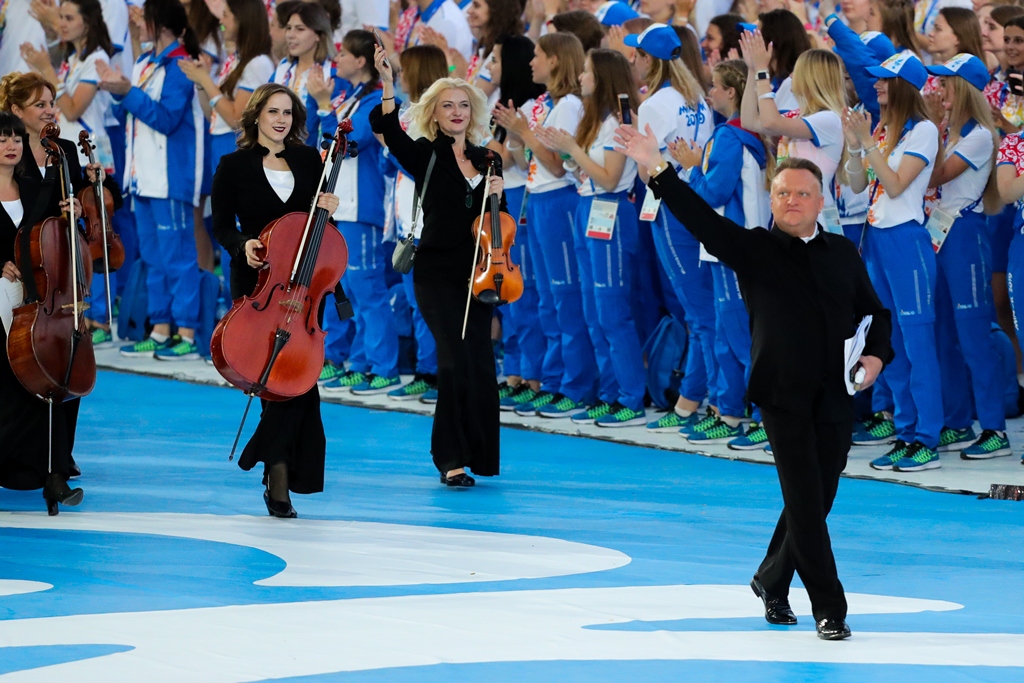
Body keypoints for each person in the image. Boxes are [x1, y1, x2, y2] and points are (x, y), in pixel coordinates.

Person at [615, 126, 893, 641]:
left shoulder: (841, 253)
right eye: (783, 193)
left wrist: (876, 357)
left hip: (837, 393)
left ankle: (771, 579)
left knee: (817, 499)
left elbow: (875, 314)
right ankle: (830, 609)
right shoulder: (754, 249)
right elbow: (700, 219)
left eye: (802, 193)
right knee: (805, 501)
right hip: (781, 393)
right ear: (772, 199)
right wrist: (657, 168)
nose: (792, 201)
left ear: (820, 201)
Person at [371, 46, 503, 488]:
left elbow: (499, 223)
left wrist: (498, 195)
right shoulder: (426, 154)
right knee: (451, 361)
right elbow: (389, 130)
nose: (457, 111)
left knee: (479, 363)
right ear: (434, 113)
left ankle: (477, 454)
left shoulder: (488, 159)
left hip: (478, 274)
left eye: (463, 104)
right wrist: (387, 84)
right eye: (447, 105)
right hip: (436, 273)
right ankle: (450, 459)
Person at [210, 84, 340, 517]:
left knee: (298, 379)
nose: (281, 120)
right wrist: (242, 244)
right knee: (270, 377)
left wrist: (329, 209)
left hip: (303, 287)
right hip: (258, 283)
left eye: (287, 113)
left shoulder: (309, 160)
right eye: (273, 112)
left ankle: (274, 468)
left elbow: (321, 230)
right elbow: (221, 225)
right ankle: (277, 472)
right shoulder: (232, 165)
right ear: (256, 117)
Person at [842, 53, 944, 471]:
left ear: (903, 86)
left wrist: (868, 143)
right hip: (877, 239)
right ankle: (905, 431)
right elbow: (857, 184)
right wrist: (855, 145)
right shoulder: (885, 131)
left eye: (885, 80)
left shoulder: (923, 131)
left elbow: (897, 185)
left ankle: (928, 438)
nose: (876, 86)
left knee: (918, 344)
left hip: (906, 241)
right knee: (890, 343)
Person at [534, 49, 647, 427]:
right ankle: (609, 393)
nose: (580, 77)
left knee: (612, 311)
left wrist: (572, 150)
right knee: (593, 310)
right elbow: (584, 170)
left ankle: (631, 398)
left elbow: (611, 178)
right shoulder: (594, 120)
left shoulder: (618, 122)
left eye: (586, 72)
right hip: (588, 208)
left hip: (610, 209)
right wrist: (567, 153)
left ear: (602, 79)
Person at [667, 57, 773, 449]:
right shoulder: (746, 133)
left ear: (731, 92)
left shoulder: (729, 136)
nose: (709, 92)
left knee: (739, 335)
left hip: (733, 247)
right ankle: (729, 412)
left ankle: (765, 417)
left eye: (714, 85)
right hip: (733, 246)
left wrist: (692, 168)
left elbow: (713, 193)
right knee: (728, 336)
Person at [492, 32, 598, 418]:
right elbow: (525, 163)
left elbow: (556, 166)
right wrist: (516, 135)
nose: (531, 62)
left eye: (537, 55)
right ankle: (552, 380)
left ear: (555, 60)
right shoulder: (545, 105)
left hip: (558, 200)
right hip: (536, 198)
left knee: (565, 296)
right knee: (547, 297)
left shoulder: (569, 106)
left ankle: (575, 384)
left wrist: (523, 133)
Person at [96, 0, 205, 361]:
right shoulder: (144, 62)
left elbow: (166, 119)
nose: (139, 24)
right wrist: (118, 91)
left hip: (170, 177)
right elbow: (128, 110)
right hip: (141, 176)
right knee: (154, 258)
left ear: (161, 23)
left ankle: (187, 333)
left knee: (178, 257)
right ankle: (160, 329)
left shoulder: (182, 66)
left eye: (145, 18)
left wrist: (127, 92)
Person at [624, 24, 718, 436]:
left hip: (671, 207)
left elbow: (648, 173)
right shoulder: (696, 98)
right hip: (699, 201)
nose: (633, 61)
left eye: (638, 54)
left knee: (698, 313)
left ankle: (699, 402)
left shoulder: (654, 104)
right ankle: (707, 399)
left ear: (651, 60)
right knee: (706, 309)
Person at [923, 53, 1012, 459]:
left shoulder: (979, 136)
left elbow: (936, 175)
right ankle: (958, 421)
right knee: (943, 333)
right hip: (939, 234)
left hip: (965, 235)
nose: (940, 88)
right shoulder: (948, 132)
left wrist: (929, 131)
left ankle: (994, 428)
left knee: (974, 335)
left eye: (947, 82)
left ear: (964, 90)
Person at [0, 111, 86, 515]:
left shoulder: (35, 186)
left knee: (45, 380)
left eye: (16, 138)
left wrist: (73, 212)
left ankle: (53, 475)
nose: (12, 145)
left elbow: (59, 234)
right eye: (2, 139)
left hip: (34, 298)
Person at [320, 30, 400, 396]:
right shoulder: (353, 97)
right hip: (342, 205)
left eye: (343, 54)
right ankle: (357, 360)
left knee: (368, 289)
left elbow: (347, 142)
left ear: (361, 61)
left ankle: (384, 367)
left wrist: (323, 106)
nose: (336, 59)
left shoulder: (372, 101)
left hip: (362, 206)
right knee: (347, 289)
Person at [382, 45, 448, 402]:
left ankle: (437, 372)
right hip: (407, 221)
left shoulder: (436, 116)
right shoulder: (408, 112)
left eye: (404, 71)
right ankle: (426, 369)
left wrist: (393, 148)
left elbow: (427, 168)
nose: (400, 77)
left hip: (430, 223)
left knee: (430, 304)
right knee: (415, 302)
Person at [489, 34, 547, 409]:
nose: (489, 68)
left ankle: (534, 374)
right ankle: (515, 369)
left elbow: (511, 159)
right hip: (504, 200)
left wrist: (499, 136)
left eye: (495, 61)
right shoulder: (504, 106)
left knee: (525, 293)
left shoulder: (526, 108)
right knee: (508, 294)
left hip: (521, 198)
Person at [740, 39, 847, 234]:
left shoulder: (829, 119)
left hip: (813, 221)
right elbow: (749, 121)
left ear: (812, 78)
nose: (790, 75)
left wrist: (763, 71)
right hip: (791, 214)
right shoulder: (800, 117)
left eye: (796, 71)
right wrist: (752, 70)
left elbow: (771, 122)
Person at [271, 2, 347, 147]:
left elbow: (339, 134)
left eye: (300, 29)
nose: (291, 35)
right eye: (288, 28)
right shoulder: (283, 69)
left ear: (318, 35)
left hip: (313, 156)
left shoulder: (333, 75)